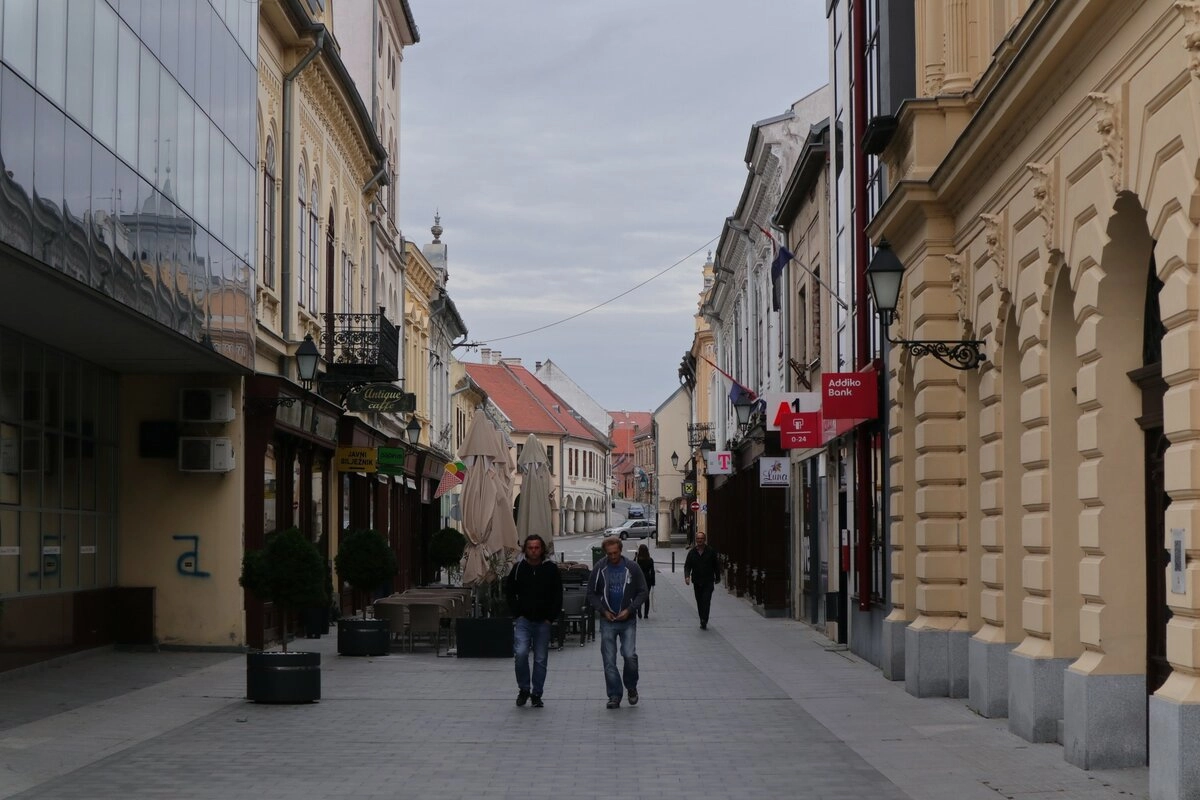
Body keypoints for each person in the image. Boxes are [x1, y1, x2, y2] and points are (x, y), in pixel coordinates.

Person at [587, 536, 649, 709]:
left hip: (627, 619)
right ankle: (614, 694)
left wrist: (629, 609)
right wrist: (603, 610)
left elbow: (643, 591)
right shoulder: (600, 568)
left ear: (620, 551)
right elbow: (591, 593)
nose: (613, 557)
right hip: (608, 620)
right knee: (609, 660)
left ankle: (631, 686)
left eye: (615, 553)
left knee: (629, 655)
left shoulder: (632, 567)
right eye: (609, 554)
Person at [504, 534, 563, 708]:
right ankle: (524, 689)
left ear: (542, 549)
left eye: (537, 547)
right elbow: (509, 592)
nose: (534, 551)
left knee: (540, 659)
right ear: (525, 549)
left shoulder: (551, 569)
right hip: (524, 620)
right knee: (521, 653)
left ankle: (537, 693)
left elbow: (557, 595)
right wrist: (517, 613)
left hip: (543, 621)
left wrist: (550, 618)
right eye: (530, 548)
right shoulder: (519, 569)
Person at [683, 531, 721, 630]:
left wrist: (717, 577)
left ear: (705, 540)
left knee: (706, 601)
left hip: (708, 581)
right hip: (697, 581)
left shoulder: (711, 551)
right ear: (696, 540)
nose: (700, 540)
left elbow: (716, 565)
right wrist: (687, 576)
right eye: (698, 539)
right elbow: (687, 566)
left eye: (701, 538)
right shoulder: (692, 552)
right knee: (699, 601)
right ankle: (702, 619)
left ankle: (704, 619)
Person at [634, 544, 655, 619]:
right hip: (647, 579)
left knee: (639, 595)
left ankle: (639, 610)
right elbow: (652, 572)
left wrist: (635, 556)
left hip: (639, 579)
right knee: (646, 596)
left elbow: (633, 566)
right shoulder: (650, 560)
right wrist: (653, 582)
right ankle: (646, 614)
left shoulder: (638, 560)